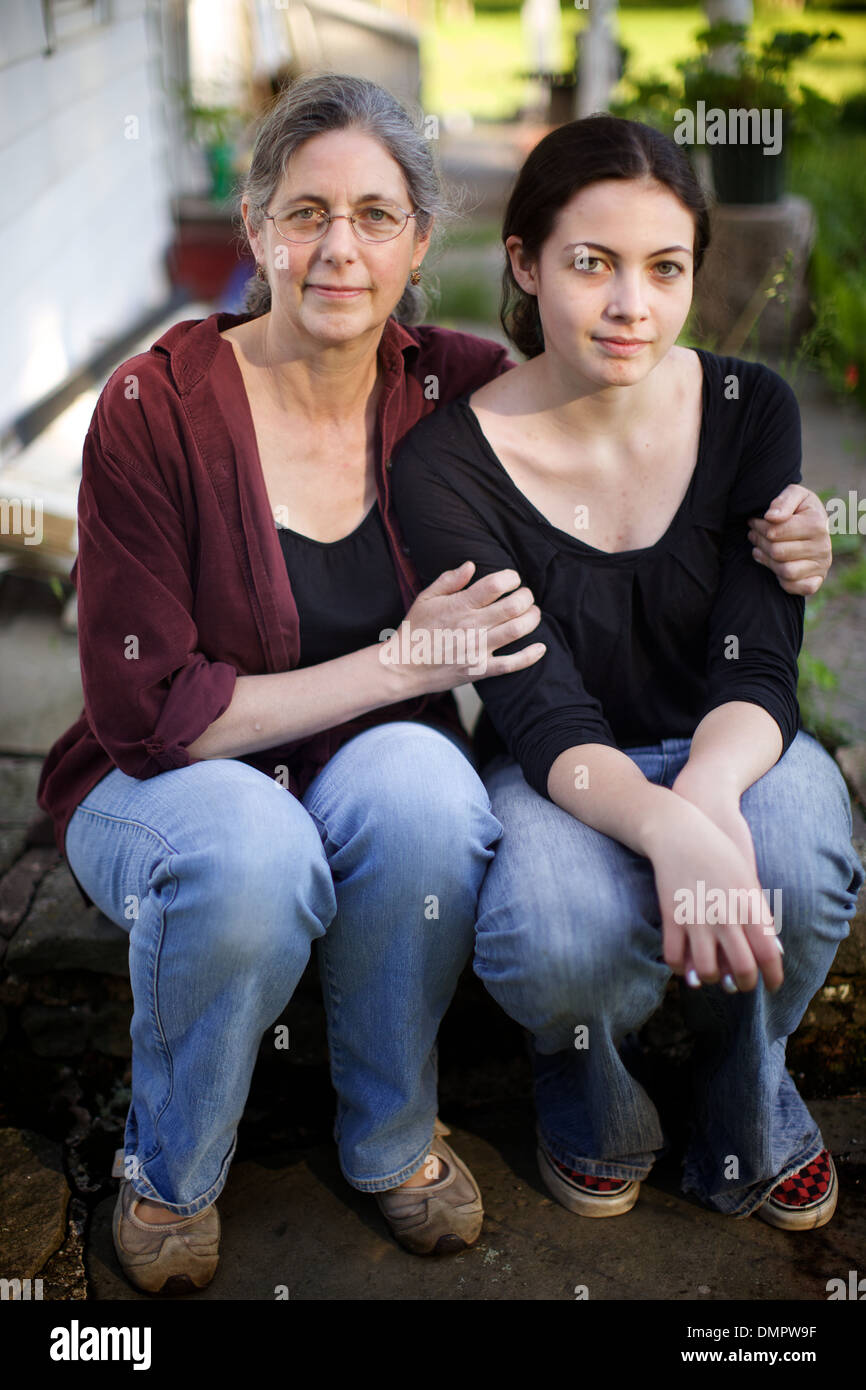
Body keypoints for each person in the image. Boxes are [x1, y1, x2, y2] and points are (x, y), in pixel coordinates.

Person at [35, 80, 831, 1295]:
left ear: (421, 241)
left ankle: (393, 1143)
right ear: (255, 229)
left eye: (373, 214)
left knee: (426, 791)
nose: (337, 249)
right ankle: (170, 1174)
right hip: (167, 776)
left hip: (364, 761)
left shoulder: (446, 385)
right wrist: (400, 663)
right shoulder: (154, 410)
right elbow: (148, 711)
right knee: (255, 851)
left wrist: (778, 537)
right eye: (304, 213)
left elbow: (600, 432)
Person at [390, 113, 863, 1232]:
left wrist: (700, 797)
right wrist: (658, 827)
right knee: (555, 929)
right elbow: (539, 706)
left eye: (664, 268)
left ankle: (743, 1089)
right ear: (522, 262)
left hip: (730, 739)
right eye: (589, 264)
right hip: (558, 767)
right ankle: (592, 1092)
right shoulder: (445, 461)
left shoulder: (751, 409)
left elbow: (759, 656)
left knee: (796, 860)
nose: (629, 306)